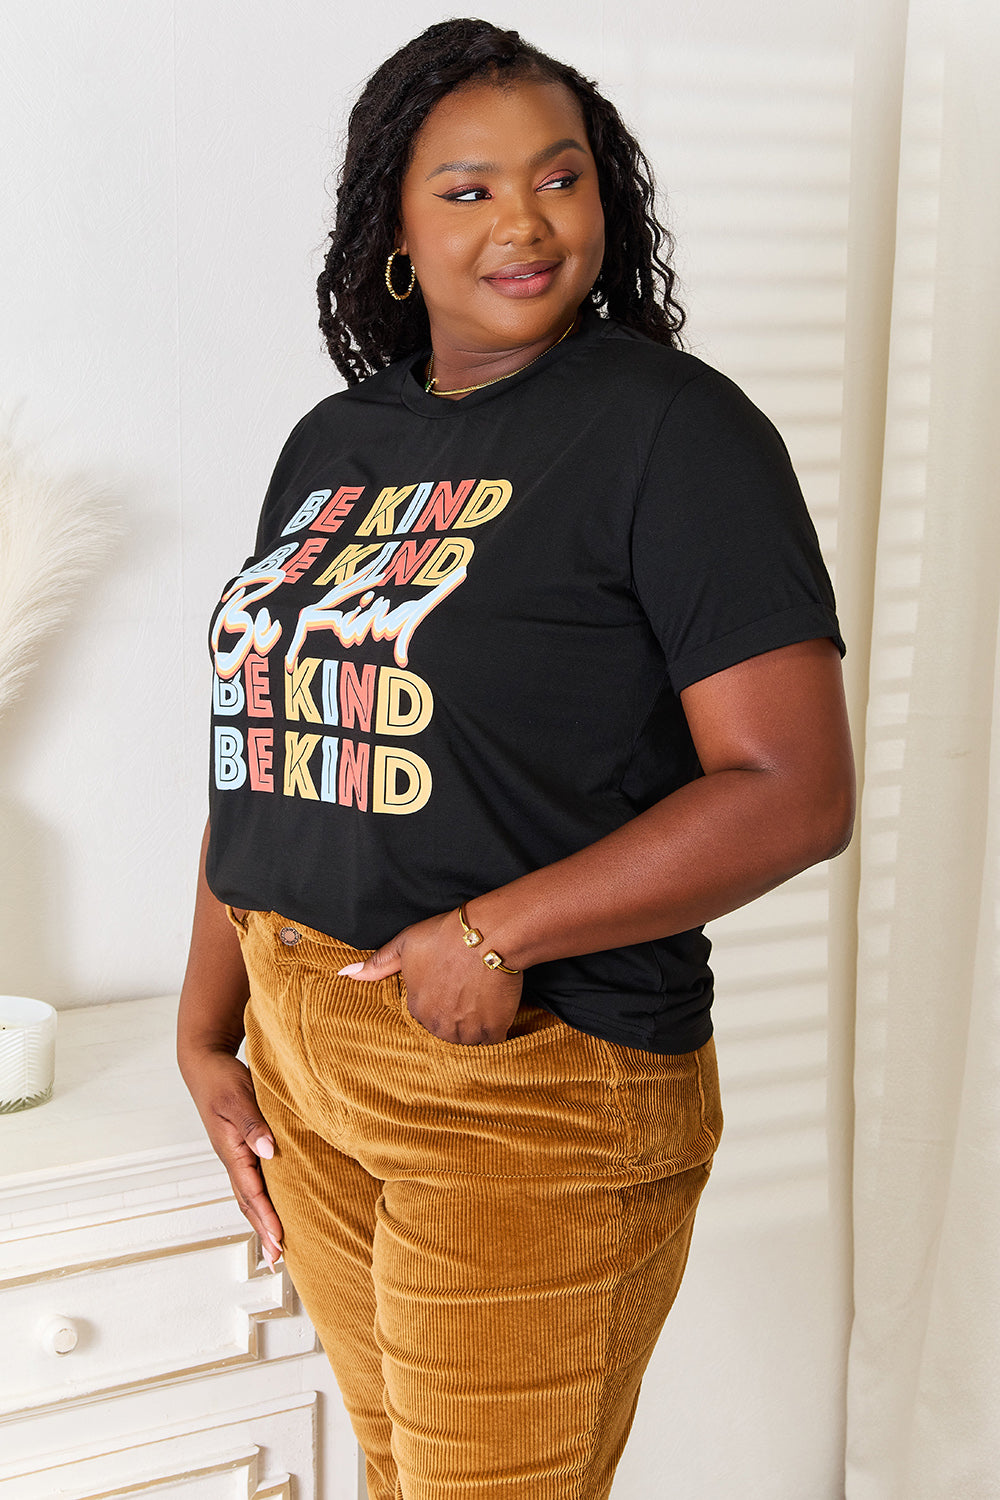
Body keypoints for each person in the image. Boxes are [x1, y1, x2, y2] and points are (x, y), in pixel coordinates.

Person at [177, 18, 855, 1500]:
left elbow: (793, 790)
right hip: (310, 1052)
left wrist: (498, 930)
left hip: (528, 1077)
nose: (526, 223)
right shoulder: (332, 442)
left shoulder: (673, 432)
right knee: (396, 1474)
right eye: (469, 190)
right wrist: (207, 1029)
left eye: (560, 178)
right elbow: (276, 739)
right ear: (396, 233)